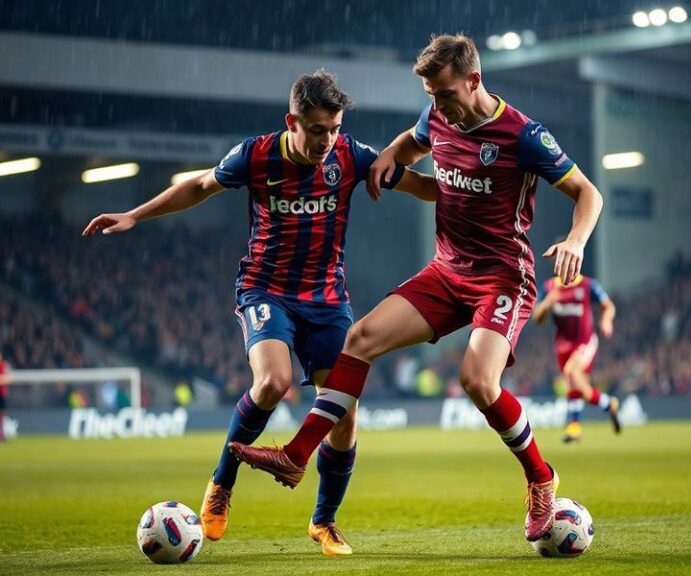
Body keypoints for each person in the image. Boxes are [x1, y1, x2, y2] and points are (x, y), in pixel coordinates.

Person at [229, 34, 604, 543]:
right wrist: (388, 156)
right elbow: (413, 138)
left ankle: (540, 476)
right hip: (447, 271)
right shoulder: (437, 116)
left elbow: (587, 191)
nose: (436, 106)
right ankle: (296, 455)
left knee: (478, 380)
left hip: (501, 275)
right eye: (429, 95)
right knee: (359, 340)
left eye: (444, 93)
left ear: (473, 81)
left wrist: (576, 240)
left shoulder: (523, 136)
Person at [82, 70, 438, 556]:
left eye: (334, 129)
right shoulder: (255, 154)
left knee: (344, 415)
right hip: (265, 290)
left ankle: (324, 522)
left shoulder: (351, 155)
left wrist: (480, 192)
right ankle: (222, 483)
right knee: (272, 382)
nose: (327, 140)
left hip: (327, 298)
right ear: (291, 121)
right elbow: (200, 186)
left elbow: (417, 185)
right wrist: (136, 215)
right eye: (317, 130)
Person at [532, 271, 620, 443]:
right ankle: (603, 407)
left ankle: (599, 409)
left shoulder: (588, 285)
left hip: (585, 342)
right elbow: (537, 318)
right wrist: (548, 302)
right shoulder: (549, 287)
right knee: (576, 385)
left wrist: (606, 320)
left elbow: (609, 306)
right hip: (562, 346)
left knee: (572, 372)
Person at [0, 352, 10, 442]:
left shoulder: (3, 365)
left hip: (2, 394)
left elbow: (8, 378)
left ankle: (2, 433)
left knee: (2, 414)